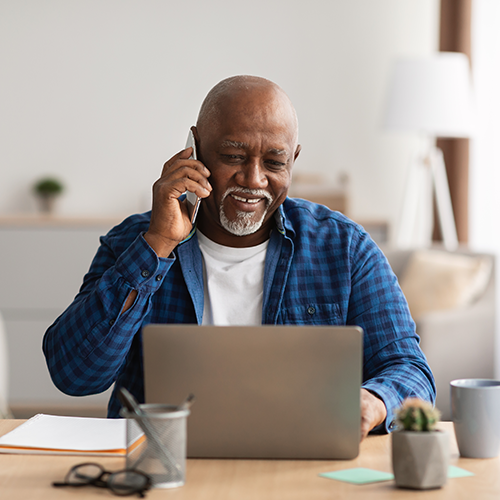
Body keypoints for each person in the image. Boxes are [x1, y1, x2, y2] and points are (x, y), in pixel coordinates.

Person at [43, 75, 435, 440]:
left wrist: (376, 400)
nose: (254, 179)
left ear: (293, 159)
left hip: (298, 464)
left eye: (275, 162)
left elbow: (410, 369)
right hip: (162, 465)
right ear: (194, 150)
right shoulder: (134, 242)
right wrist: (158, 244)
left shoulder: (344, 247)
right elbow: (74, 375)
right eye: (233, 156)